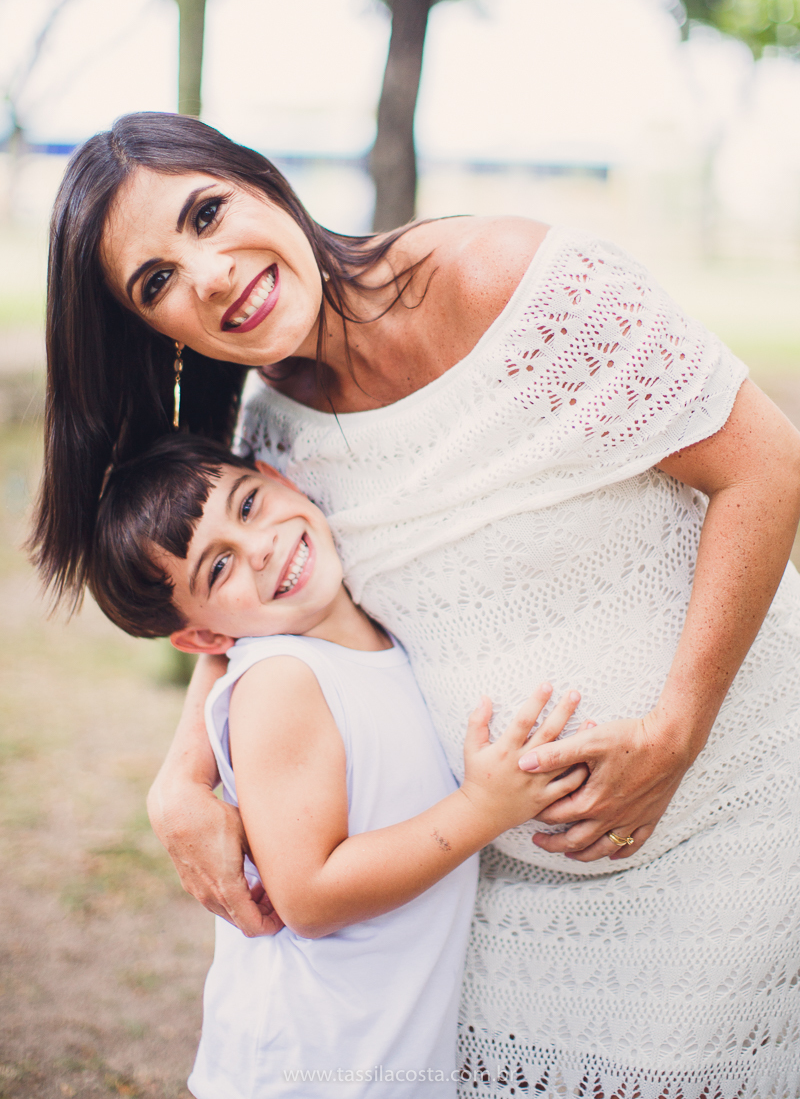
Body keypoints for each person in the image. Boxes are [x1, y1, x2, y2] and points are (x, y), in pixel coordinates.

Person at [30, 111, 800, 1097]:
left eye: (208, 214)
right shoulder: (271, 440)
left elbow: (766, 468)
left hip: (731, 831)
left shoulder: (504, 282)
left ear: (261, 178)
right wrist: (179, 778)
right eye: (157, 282)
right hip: (495, 908)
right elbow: (254, 618)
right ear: (154, 333)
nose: (209, 274)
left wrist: (674, 732)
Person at [89, 433, 589, 1098]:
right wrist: (483, 809)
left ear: (277, 477)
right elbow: (310, 897)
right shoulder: (280, 683)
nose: (260, 546)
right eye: (219, 568)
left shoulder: (378, 643)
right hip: (313, 1070)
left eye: (247, 505)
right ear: (206, 638)